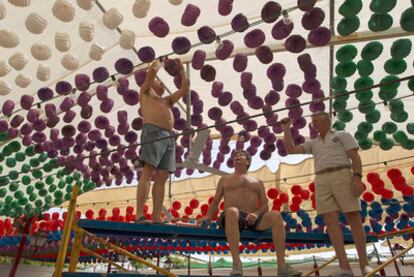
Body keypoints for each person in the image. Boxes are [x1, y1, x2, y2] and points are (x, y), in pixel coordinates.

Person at [281, 112, 374, 276]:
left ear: (328, 121)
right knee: (330, 220)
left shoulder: (342, 135)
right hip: (321, 178)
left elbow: (355, 158)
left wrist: (357, 177)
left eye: (318, 119)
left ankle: (364, 264)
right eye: (313, 121)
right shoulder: (313, 143)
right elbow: (290, 150)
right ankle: (345, 267)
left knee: (353, 216)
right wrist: (287, 129)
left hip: (342, 172)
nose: (315, 122)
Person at [198, 150, 302, 276]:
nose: (236, 156)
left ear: (247, 161)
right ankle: (237, 264)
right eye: (235, 155)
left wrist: (256, 214)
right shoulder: (224, 179)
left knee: (275, 214)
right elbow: (215, 202)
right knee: (232, 210)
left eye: (240, 155)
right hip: (232, 217)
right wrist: (208, 216)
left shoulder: (257, 182)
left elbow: (264, 204)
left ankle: (282, 266)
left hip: (253, 217)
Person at [135, 59, 189, 224]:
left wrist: (181, 69)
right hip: (153, 132)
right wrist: (159, 63)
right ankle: (139, 214)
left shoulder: (167, 100)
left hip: (169, 137)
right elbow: (151, 74)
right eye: (159, 82)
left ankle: (156, 215)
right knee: (148, 171)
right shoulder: (146, 92)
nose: (162, 84)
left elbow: (184, 89)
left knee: (162, 176)